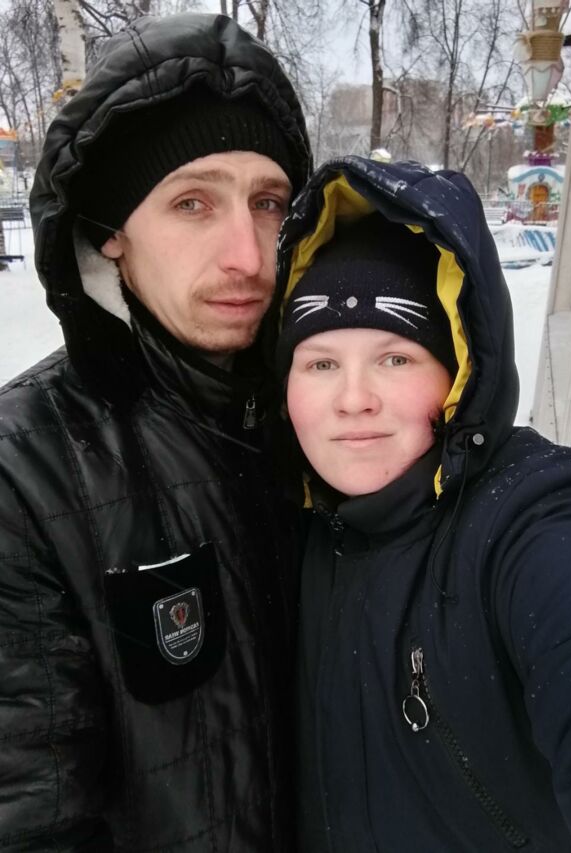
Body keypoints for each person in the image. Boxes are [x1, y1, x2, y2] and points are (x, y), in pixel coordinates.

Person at [0, 13, 311, 852]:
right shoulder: (25, 475)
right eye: (192, 203)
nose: (249, 255)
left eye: (269, 203)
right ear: (112, 235)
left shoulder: (332, 422)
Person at [274, 156, 571, 853]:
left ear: (459, 372)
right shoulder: (287, 527)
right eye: (321, 363)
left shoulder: (535, 516)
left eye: (395, 358)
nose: (353, 399)